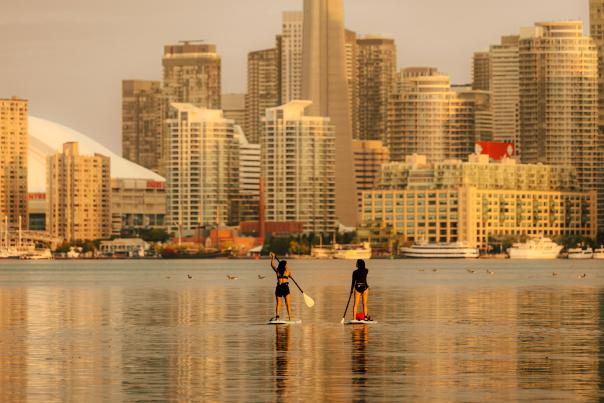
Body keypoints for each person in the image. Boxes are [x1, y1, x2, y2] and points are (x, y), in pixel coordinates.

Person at [270, 252, 293, 321]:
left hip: (281, 288)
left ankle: (286, 318)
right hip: (283, 288)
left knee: (283, 304)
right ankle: (286, 318)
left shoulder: (279, 271)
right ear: (284, 265)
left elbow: (272, 265)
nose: (287, 265)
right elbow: (272, 265)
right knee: (284, 304)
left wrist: (273, 258)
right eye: (286, 264)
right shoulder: (286, 272)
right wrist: (273, 258)